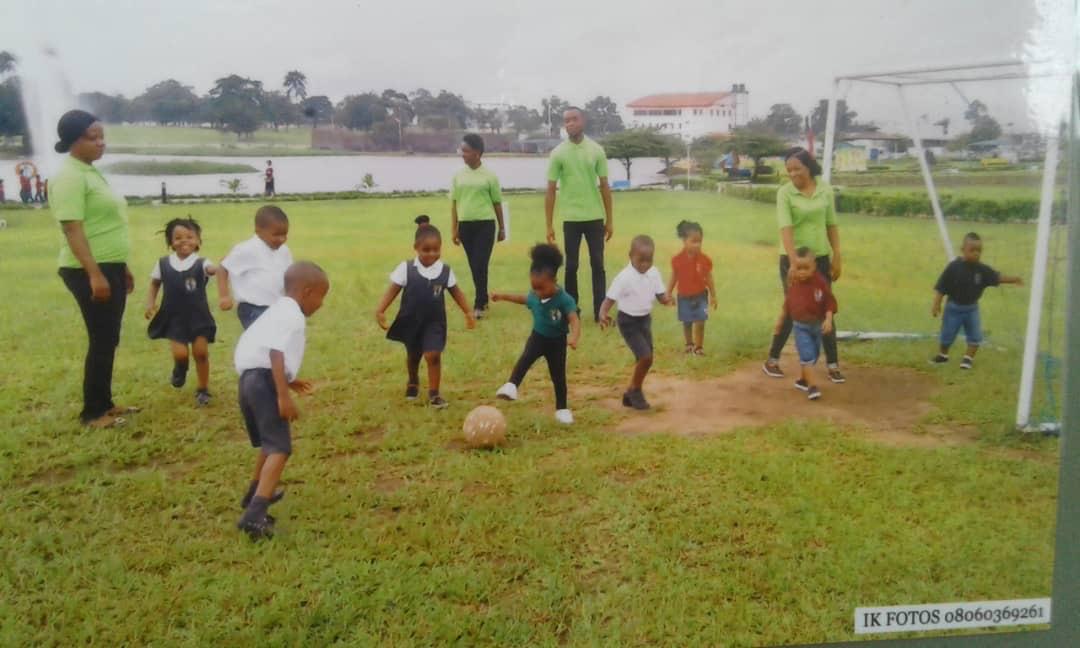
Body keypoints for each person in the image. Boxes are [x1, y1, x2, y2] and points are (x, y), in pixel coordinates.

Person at [51, 109, 136, 428]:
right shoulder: (69, 176)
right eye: (93, 137)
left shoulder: (88, 171)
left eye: (102, 136)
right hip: (87, 269)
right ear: (73, 140)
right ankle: (93, 413)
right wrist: (95, 274)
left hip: (109, 266)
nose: (101, 143)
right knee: (101, 338)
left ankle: (105, 403)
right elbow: (73, 229)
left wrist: (121, 266)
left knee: (108, 337)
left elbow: (104, 224)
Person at [234, 261, 330, 540]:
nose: (321, 304)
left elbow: (263, 351)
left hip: (249, 380)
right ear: (307, 291)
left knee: (269, 443)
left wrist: (289, 380)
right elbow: (275, 353)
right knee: (280, 448)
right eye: (321, 297)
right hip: (264, 382)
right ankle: (254, 516)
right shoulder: (292, 315)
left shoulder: (276, 310)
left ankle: (254, 493)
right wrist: (282, 394)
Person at [763, 147, 846, 384]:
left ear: (808, 167)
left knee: (825, 307)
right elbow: (785, 229)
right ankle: (772, 360)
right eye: (788, 170)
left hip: (820, 259)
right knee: (794, 308)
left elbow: (831, 224)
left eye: (796, 169)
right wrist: (792, 263)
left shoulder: (825, 189)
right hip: (793, 261)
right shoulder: (785, 194)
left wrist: (837, 254)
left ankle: (833, 364)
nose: (792, 174)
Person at [375, 221, 475, 408]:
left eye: (436, 250)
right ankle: (413, 380)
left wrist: (468, 312)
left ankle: (434, 393)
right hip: (411, 321)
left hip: (434, 323)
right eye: (426, 250)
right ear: (416, 248)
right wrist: (380, 310)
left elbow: (456, 292)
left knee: (433, 355)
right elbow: (392, 290)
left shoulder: (445, 271)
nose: (432, 254)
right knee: (413, 355)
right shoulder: (406, 268)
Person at [492, 243, 581, 425]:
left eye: (541, 288)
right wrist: (502, 296)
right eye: (534, 288)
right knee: (525, 359)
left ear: (554, 280)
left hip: (557, 343)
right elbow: (522, 298)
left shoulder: (564, 299)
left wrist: (574, 336)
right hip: (538, 337)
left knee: (558, 376)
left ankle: (562, 409)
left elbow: (574, 319)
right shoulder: (535, 294)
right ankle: (511, 386)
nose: (537, 293)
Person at [544, 107, 614, 322]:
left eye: (574, 119)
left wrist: (609, 220)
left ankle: (599, 313)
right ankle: (572, 310)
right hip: (571, 218)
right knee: (571, 266)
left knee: (598, 264)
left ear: (582, 121)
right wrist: (549, 225)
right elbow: (550, 190)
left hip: (594, 217)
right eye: (566, 121)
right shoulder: (558, 153)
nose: (570, 124)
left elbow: (604, 186)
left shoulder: (596, 150)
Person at [144, 217, 219, 406]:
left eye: (189, 236)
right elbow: (154, 284)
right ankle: (180, 368)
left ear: (198, 241)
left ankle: (203, 389)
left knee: (201, 353)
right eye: (178, 237)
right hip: (173, 317)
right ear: (171, 242)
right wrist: (150, 303)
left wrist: (217, 268)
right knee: (181, 354)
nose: (184, 240)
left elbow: (211, 270)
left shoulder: (202, 262)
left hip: (198, 316)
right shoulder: (163, 263)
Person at [598, 235, 673, 410]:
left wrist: (668, 299)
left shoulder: (653, 273)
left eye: (649, 260)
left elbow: (660, 295)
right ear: (630, 255)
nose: (645, 264)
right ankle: (635, 391)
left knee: (646, 358)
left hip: (645, 320)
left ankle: (630, 392)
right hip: (628, 322)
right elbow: (609, 299)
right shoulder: (624, 277)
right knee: (645, 357)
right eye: (641, 260)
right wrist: (603, 313)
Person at [931, 232, 1023, 370]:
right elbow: (941, 287)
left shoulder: (982, 270)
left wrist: (1014, 279)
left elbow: (997, 278)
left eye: (979, 251)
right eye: (972, 250)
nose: (976, 253)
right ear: (963, 250)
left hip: (971, 309)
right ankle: (943, 355)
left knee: (975, 336)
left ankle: (968, 359)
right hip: (953, 308)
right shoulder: (953, 267)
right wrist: (936, 304)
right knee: (947, 334)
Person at [451, 133, 506, 320]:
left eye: (466, 151)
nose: (462, 154)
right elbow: (454, 203)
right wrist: (454, 228)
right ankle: (483, 298)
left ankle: (479, 303)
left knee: (480, 263)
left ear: (477, 153)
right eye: (461, 151)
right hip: (466, 226)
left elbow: (497, 203)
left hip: (485, 225)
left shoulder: (490, 176)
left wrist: (502, 227)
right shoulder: (458, 176)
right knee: (474, 266)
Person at [773, 247, 838, 401]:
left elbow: (828, 302)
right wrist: (780, 322)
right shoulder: (794, 284)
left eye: (806, 268)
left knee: (813, 355)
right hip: (800, 326)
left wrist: (828, 319)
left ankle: (803, 380)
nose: (802, 272)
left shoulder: (820, 283)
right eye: (798, 268)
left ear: (814, 266)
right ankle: (812, 386)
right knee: (807, 354)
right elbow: (787, 305)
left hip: (817, 326)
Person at [217, 205, 293, 329]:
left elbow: (289, 275)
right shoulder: (247, 249)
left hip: (276, 306)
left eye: (285, 234)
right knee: (264, 340)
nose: (282, 239)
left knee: (276, 342)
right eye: (276, 235)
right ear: (258, 231)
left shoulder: (284, 251)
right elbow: (223, 267)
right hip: (253, 309)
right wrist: (224, 296)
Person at [666, 220, 718, 355]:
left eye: (700, 241)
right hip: (683, 296)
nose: (697, 245)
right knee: (687, 321)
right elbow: (674, 277)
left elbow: (709, 278)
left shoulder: (704, 259)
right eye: (693, 241)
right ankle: (689, 344)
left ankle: (699, 347)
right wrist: (668, 292)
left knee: (700, 322)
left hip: (701, 295)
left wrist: (713, 295)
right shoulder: (677, 260)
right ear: (684, 240)